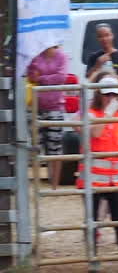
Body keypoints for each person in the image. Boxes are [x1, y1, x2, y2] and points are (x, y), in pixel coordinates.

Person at [78, 76, 118, 273]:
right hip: (93, 179)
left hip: (116, 179)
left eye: (114, 94)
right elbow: (95, 133)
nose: (111, 98)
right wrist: (107, 113)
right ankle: (93, 259)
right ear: (99, 95)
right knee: (92, 220)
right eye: (107, 94)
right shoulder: (92, 113)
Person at [28, 45, 71, 187]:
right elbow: (32, 76)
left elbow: (62, 77)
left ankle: (54, 184)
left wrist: (42, 78)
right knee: (36, 146)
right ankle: (37, 183)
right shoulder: (36, 56)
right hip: (36, 107)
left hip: (55, 107)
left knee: (55, 147)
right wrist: (41, 77)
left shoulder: (61, 56)